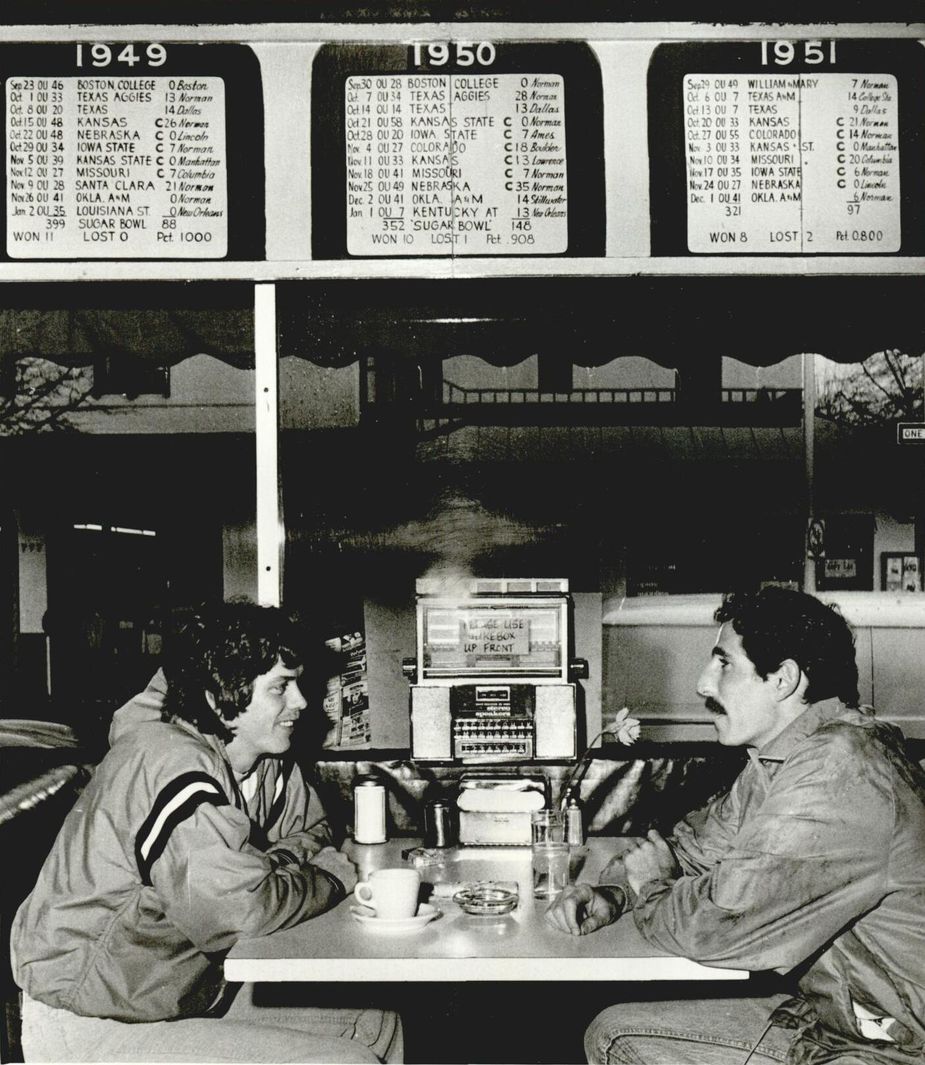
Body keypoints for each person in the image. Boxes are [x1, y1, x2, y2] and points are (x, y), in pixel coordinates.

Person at [546, 587, 925, 1064]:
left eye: (723, 664)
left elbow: (718, 928)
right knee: (617, 1033)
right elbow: (691, 851)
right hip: (838, 1022)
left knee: (620, 1043)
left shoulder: (837, 767)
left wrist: (651, 888)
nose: (703, 685)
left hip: (897, 1048)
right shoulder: (779, 759)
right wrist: (616, 894)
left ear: (784, 679)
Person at [12, 601, 402, 1063]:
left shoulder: (260, 763)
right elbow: (240, 912)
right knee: (343, 1062)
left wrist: (267, 867)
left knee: (373, 1025)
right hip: (90, 1022)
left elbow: (311, 832)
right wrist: (331, 879)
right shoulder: (170, 761)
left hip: (177, 997)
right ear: (223, 700)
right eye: (281, 687)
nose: (301, 702)